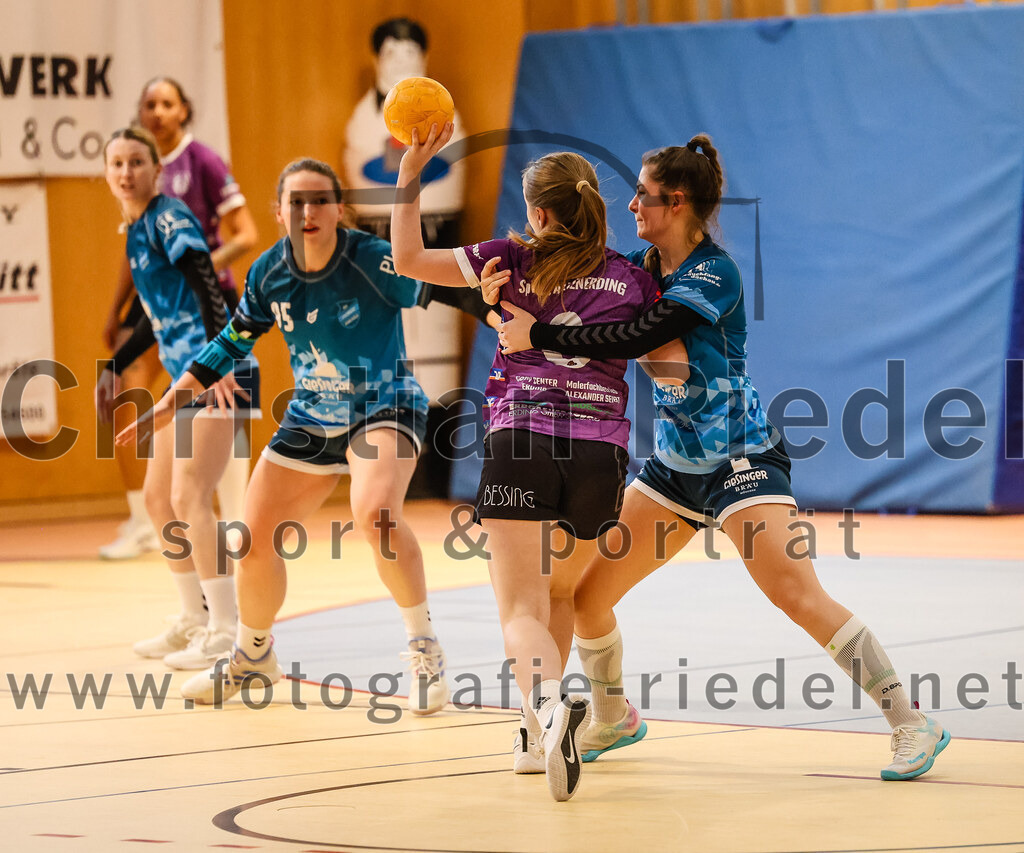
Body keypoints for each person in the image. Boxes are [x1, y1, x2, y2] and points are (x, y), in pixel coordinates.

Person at [497, 134, 951, 782]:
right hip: (676, 467)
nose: (630, 206)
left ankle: (911, 721)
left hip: (741, 457)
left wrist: (543, 332)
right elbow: (582, 280)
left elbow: (642, 334)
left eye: (643, 196)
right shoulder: (638, 267)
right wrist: (510, 271)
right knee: (590, 594)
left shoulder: (713, 272)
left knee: (795, 591)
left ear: (676, 202)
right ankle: (613, 714)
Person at [116, 158, 499, 717]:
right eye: (295, 201)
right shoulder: (269, 272)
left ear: (339, 210)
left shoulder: (370, 260)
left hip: (383, 406)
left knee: (377, 516)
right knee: (250, 538)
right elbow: (234, 337)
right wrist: (179, 392)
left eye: (319, 200)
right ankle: (253, 656)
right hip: (311, 417)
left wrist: (499, 313)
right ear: (278, 213)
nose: (308, 211)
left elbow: (448, 292)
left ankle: (424, 648)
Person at [390, 124, 683, 801]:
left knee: (519, 604)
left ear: (541, 212)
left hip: (521, 437)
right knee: (557, 594)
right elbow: (666, 366)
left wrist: (412, 171)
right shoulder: (634, 276)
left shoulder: (510, 259)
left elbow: (405, 256)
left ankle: (552, 707)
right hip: (602, 452)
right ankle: (531, 729)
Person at [96, 126, 257, 671]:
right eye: (116, 163)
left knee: (189, 495)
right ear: (107, 172)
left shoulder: (169, 218)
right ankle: (193, 616)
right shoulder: (136, 228)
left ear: (156, 168)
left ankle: (226, 628)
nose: (125, 172)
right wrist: (114, 365)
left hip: (218, 373)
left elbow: (208, 283)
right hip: (182, 379)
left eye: (136, 161)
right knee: (158, 498)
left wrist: (219, 363)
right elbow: (154, 317)